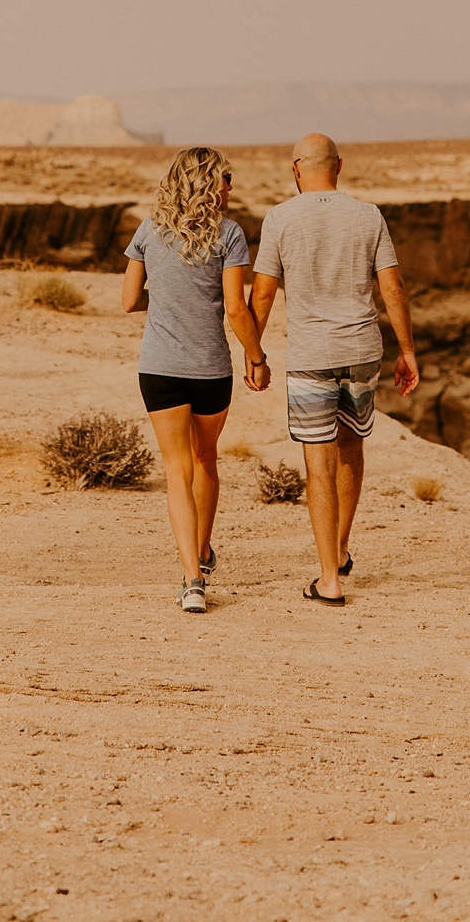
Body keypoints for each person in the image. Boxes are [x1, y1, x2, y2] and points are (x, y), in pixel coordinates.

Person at [249, 132, 418, 605]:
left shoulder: (280, 217)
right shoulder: (368, 215)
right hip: (363, 349)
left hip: (310, 356)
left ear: (296, 169)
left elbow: (261, 294)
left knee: (317, 465)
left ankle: (329, 579)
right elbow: (393, 287)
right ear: (339, 166)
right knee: (351, 449)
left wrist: (252, 352)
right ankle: (341, 548)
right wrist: (407, 350)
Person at [121, 146, 271, 614]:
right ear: (210, 184)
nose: (231, 187)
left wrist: (168, 304)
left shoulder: (149, 229)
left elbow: (128, 300)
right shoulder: (230, 235)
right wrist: (257, 355)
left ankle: (191, 579)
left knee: (175, 471)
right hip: (209, 369)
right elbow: (233, 308)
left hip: (159, 368)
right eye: (226, 178)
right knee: (205, 459)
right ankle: (202, 555)